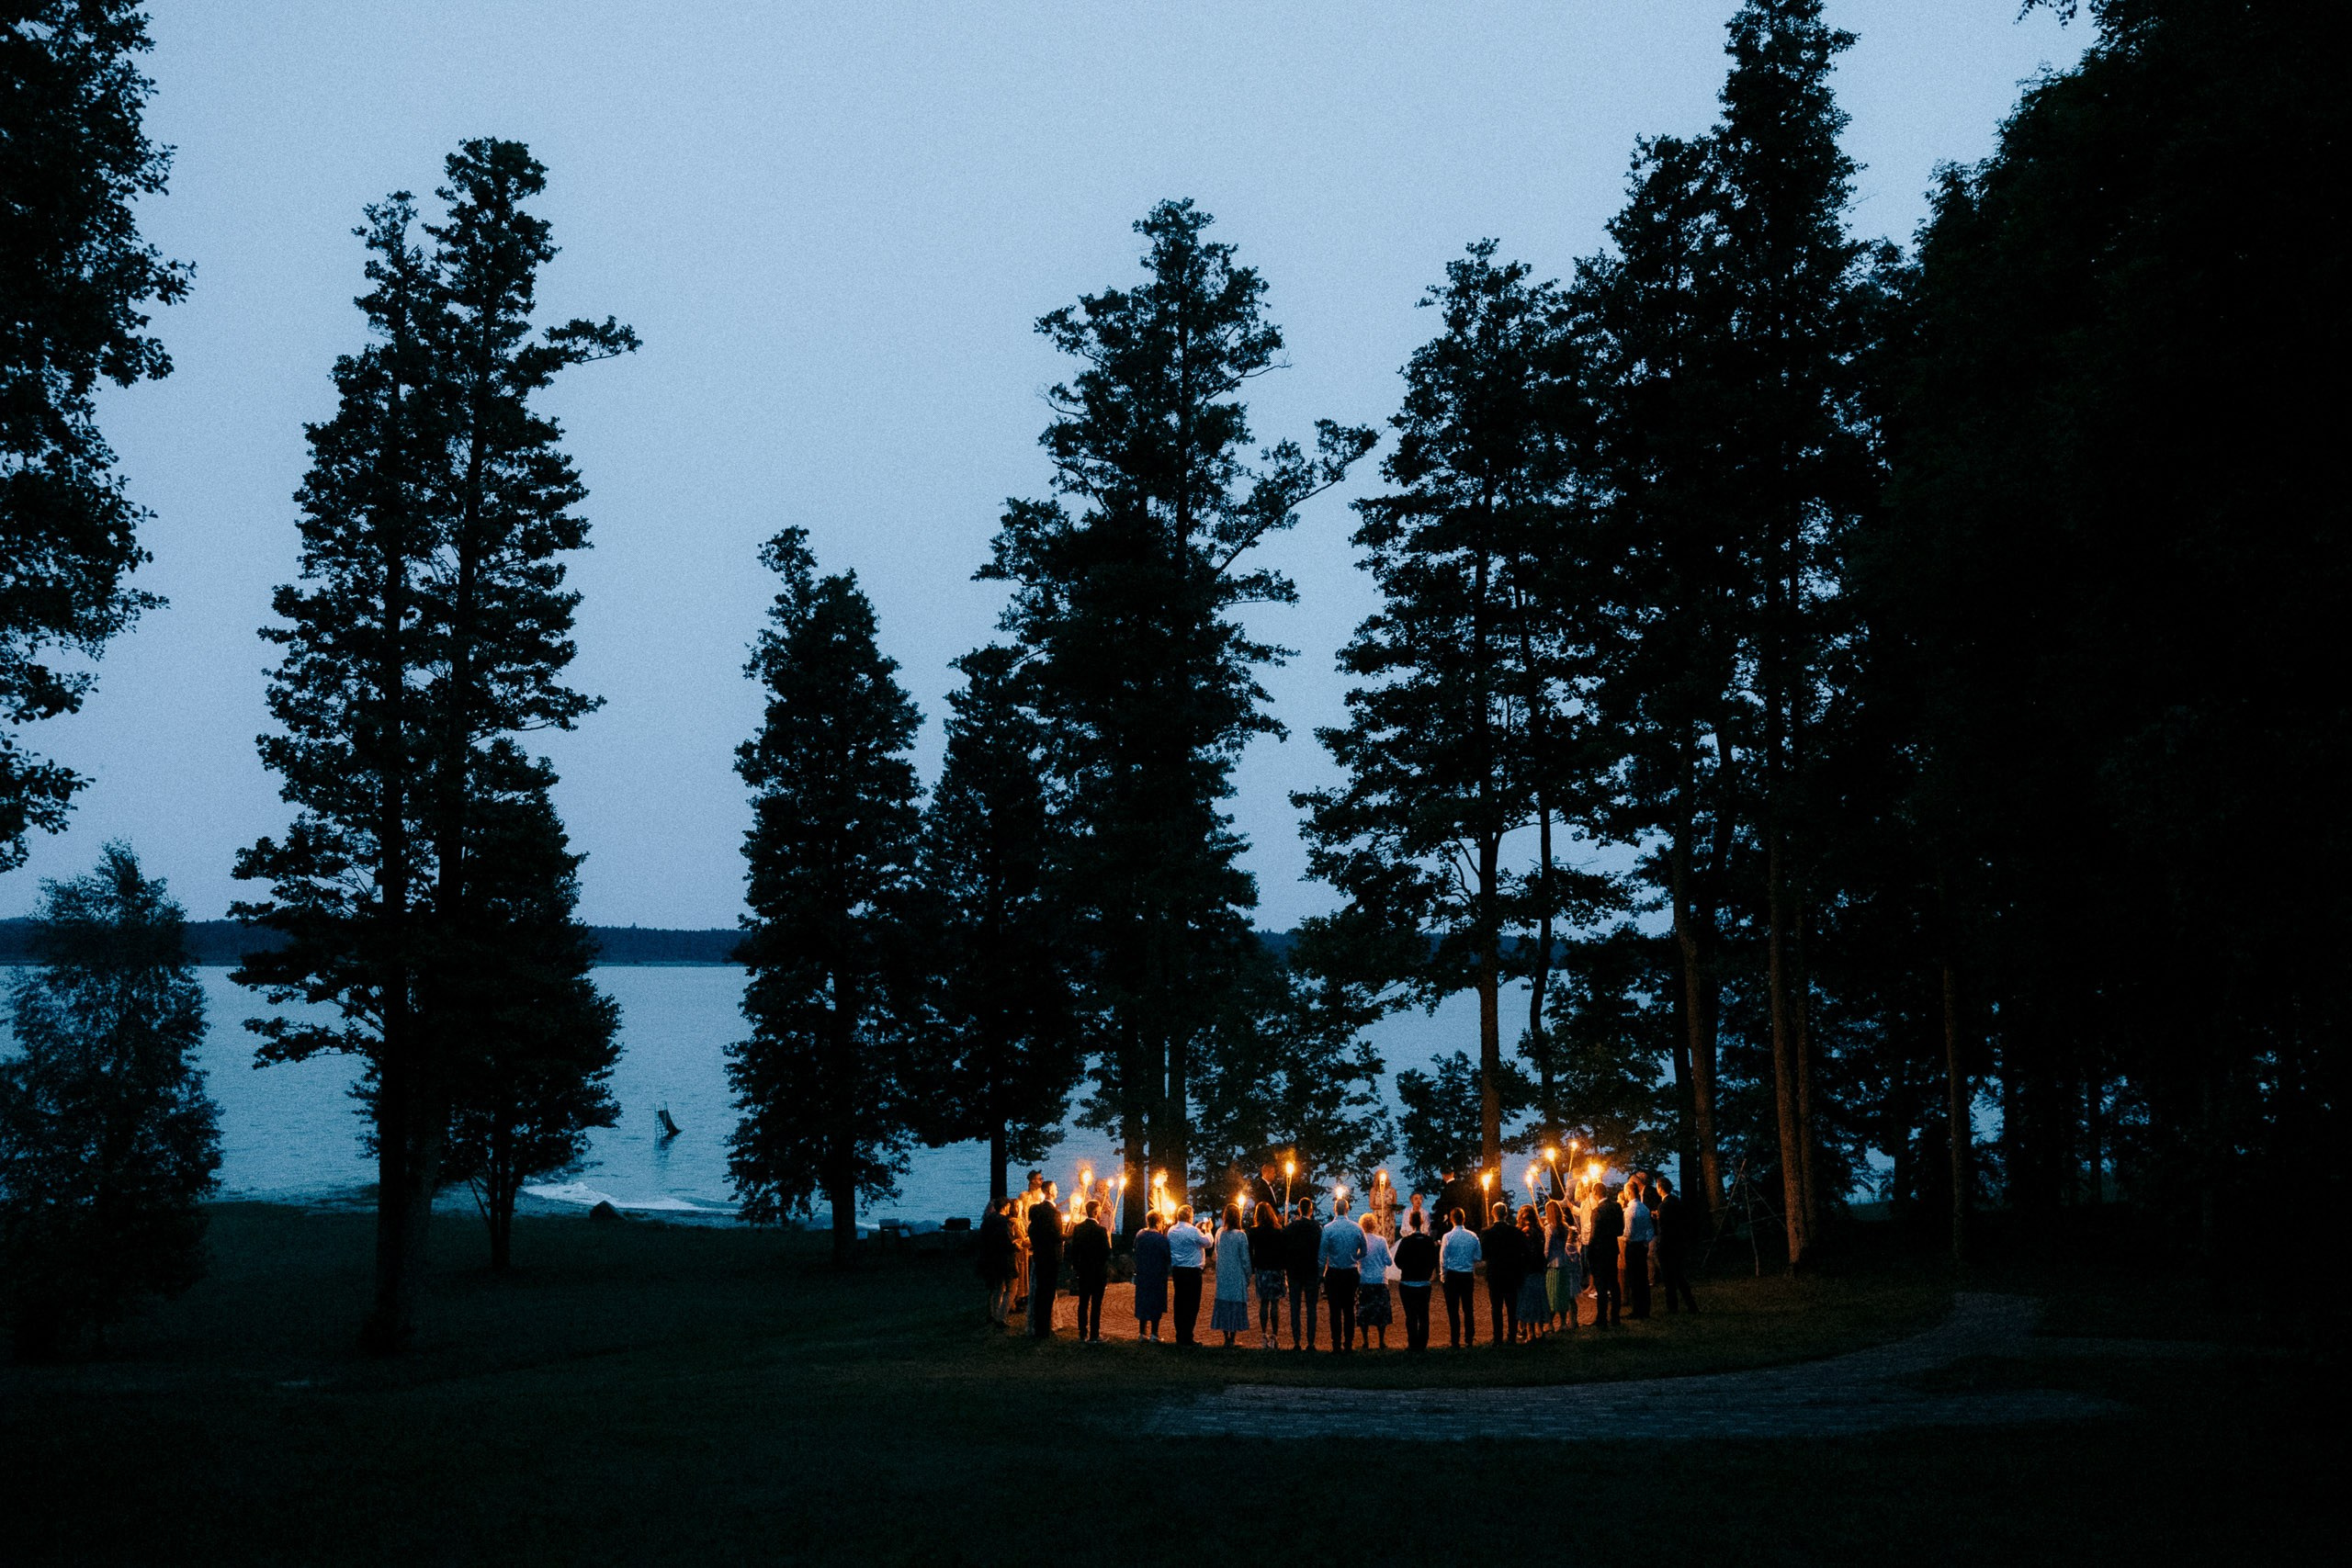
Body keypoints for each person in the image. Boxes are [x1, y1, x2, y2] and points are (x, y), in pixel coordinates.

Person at [1318, 1194, 1367, 1352]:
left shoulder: (1328, 1228)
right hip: (1351, 1272)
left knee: (1334, 1310)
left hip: (1334, 1272)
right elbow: (1364, 1250)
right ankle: (1349, 1342)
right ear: (1347, 1209)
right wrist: (1355, 1256)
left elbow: (1322, 1254)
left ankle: (1336, 1343)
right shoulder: (1357, 1228)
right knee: (1349, 1309)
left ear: (1335, 1210)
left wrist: (1320, 1274)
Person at [1067, 1199, 1112, 1341]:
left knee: (1083, 1302)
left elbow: (1074, 1251)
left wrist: (1077, 1267)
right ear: (1095, 1212)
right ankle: (1094, 1334)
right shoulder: (1101, 1230)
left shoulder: (1078, 1228)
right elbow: (1106, 1252)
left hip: (1084, 1271)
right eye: (1099, 1211)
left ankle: (1082, 1333)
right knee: (1096, 1305)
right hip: (1098, 1272)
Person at [1479, 1201, 1524, 1345]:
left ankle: (1497, 1337)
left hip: (1495, 1273)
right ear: (1506, 1214)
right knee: (1512, 1306)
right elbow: (1521, 1252)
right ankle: (1511, 1336)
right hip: (1511, 1272)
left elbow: (1484, 1254)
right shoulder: (1516, 1232)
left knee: (1496, 1307)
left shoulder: (1487, 1232)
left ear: (1493, 1214)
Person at [1394, 1211, 1439, 1351]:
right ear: (1421, 1223)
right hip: (1424, 1282)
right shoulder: (1428, 1242)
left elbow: (1397, 1260)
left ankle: (1413, 1343)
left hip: (1408, 1282)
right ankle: (1423, 1343)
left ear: (1411, 1223)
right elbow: (1433, 1260)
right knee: (1424, 1314)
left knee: (1411, 1315)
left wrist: (1407, 1269)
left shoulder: (1406, 1242)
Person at [1209, 1203, 1252, 1346]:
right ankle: (1232, 1337)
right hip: (1236, 1273)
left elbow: (1217, 1251)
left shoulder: (1220, 1233)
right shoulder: (1240, 1235)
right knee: (1234, 1304)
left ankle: (1226, 1336)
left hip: (1223, 1273)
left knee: (1224, 1303)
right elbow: (1245, 1258)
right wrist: (1248, 1274)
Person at [1283, 1198, 1323, 1349]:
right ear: (1310, 1210)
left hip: (1294, 1271)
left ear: (1299, 1209)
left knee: (1295, 1307)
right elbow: (1321, 1248)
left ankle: (1297, 1341)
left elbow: (1284, 1246)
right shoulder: (1316, 1227)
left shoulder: (1291, 1227)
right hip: (1311, 1270)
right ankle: (1311, 1342)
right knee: (1311, 1308)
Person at [1654, 1175, 1699, 1314]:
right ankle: (1691, 1305)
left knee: (1669, 1278)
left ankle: (1672, 1307)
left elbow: (1664, 1227)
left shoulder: (1664, 1205)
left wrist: (1660, 1243)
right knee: (1679, 1276)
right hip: (1679, 1244)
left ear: (1660, 1189)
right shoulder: (1676, 1202)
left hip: (1667, 1246)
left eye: (1657, 1186)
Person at [1438, 1206, 1481, 1348]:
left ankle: (1455, 1339)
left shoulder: (1447, 1237)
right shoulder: (1473, 1236)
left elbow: (1443, 1258)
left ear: (1451, 1220)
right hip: (1467, 1274)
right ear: (1464, 1219)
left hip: (1452, 1275)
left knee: (1453, 1309)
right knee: (1468, 1308)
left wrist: (1443, 1275)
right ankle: (1469, 1337)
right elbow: (1478, 1256)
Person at [1026, 1181, 1065, 1337]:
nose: (1058, 1190)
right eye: (1055, 1188)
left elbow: (1032, 1231)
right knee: (1047, 1293)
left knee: (1040, 1291)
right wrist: (1068, 1236)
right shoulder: (1053, 1213)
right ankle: (1044, 1329)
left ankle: (1038, 1326)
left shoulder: (1037, 1210)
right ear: (1049, 1191)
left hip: (1040, 1255)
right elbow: (1056, 1235)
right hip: (1050, 1257)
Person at [1167, 1205, 1207, 1346]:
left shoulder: (1171, 1230)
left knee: (1179, 1303)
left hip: (1178, 1271)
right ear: (1190, 1216)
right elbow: (1208, 1242)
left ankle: (1180, 1334)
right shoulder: (1193, 1231)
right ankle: (1188, 1335)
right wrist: (1207, 1230)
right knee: (1192, 1304)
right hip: (1192, 1272)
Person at [1587, 1183, 1625, 1327]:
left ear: (1596, 1193)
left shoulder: (1597, 1211)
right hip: (1612, 1250)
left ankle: (1602, 1319)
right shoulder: (1616, 1207)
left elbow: (1594, 1235)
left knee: (1601, 1286)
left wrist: (1589, 1252)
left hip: (1599, 1252)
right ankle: (1615, 1317)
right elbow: (1620, 1230)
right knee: (1614, 1284)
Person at [1250, 1198, 1286, 1347]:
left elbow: (1250, 1251)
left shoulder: (1254, 1232)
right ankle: (1274, 1335)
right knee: (1275, 1303)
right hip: (1276, 1269)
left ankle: (1263, 1334)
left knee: (1263, 1303)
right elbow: (1284, 1251)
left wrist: (1253, 1267)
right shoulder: (1278, 1231)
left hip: (1262, 1269)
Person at [1357, 1208, 1395, 1348]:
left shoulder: (1361, 1241)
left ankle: (1365, 1340)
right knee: (1381, 1313)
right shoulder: (1381, 1241)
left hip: (1365, 1279)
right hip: (1380, 1279)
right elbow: (1388, 1261)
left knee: (1364, 1311)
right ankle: (1381, 1340)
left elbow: (1357, 1258)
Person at [978, 1196, 1017, 1328]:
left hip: (991, 1258)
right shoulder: (1004, 1222)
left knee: (998, 1288)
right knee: (1011, 1288)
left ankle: (994, 1315)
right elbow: (1007, 1241)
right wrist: (1016, 1245)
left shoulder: (988, 1220)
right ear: (1006, 1207)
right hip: (1005, 1258)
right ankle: (1001, 1317)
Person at [1132, 1213, 1171, 1340]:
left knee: (1143, 1301)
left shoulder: (1140, 1235)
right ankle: (1154, 1333)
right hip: (1157, 1275)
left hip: (1143, 1274)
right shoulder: (1161, 1239)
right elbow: (1167, 1256)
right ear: (1158, 1222)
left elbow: (1135, 1250)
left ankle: (1142, 1332)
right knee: (1156, 1303)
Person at [1543, 1198, 1581, 1329]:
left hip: (1553, 1264)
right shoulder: (1565, 1227)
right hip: (1564, 1262)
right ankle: (1564, 1323)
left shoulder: (1549, 1228)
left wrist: (1544, 1261)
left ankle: (1550, 1324)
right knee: (1563, 1294)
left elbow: (1547, 1249)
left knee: (1552, 1295)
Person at [1622, 1174, 1655, 1320]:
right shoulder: (1644, 1208)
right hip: (1642, 1246)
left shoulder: (1630, 1211)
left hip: (1633, 1247)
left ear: (1629, 1192)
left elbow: (1628, 1232)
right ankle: (1645, 1309)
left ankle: (1637, 1310)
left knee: (1634, 1279)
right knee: (1643, 1279)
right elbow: (1650, 1229)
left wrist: (1622, 1237)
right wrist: (1646, 1241)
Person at [1514, 1205, 1549, 1340]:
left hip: (1527, 1269)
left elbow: (1522, 1251)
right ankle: (1540, 1330)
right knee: (1539, 1298)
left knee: (1528, 1300)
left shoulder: (1524, 1232)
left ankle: (1530, 1332)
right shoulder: (1540, 1231)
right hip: (1539, 1268)